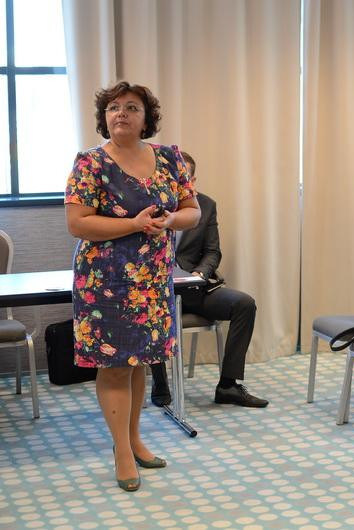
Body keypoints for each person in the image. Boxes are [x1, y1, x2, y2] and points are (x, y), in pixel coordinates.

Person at [65, 81, 201, 492]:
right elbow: (78, 223)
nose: (120, 113)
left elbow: (191, 211)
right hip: (104, 282)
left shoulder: (170, 158)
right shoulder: (90, 163)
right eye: (113, 108)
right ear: (104, 118)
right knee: (114, 365)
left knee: (139, 361)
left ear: (146, 119)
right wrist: (134, 224)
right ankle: (122, 451)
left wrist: (170, 220)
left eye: (131, 107)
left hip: (152, 281)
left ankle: (135, 439)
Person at [149, 151, 268, 409]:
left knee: (244, 304)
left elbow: (213, 252)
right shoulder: (149, 206)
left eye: (184, 177)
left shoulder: (206, 205)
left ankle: (228, 385)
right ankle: (160, 382)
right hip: (158, 293)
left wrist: (200, 274)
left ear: (192, 180)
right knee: (148, 311)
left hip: (196, 289)